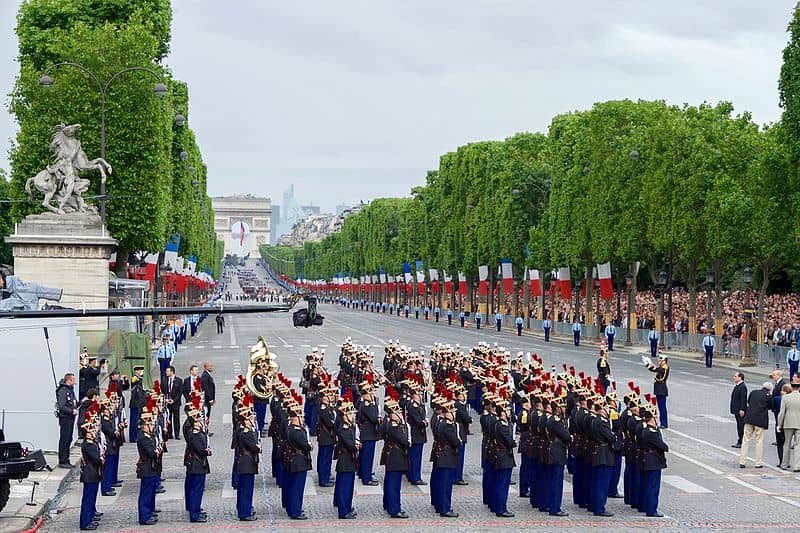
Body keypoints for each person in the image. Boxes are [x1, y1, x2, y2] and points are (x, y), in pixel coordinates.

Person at [380, 390, 410, 519]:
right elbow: (404, 440)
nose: (400, 414)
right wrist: (402, 423)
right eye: (397, 412)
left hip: (390, 453)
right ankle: (394, 509)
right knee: (394, 484)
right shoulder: (394, 425)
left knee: (390, 481)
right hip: (395, 456)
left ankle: (388, 504)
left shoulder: (387, 422)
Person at [640, 402, 668, 517]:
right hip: (653, 461)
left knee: (649, 485)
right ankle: (651, 509)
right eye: (655, 417)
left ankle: (649, 507)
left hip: (648, 460)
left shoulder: (647, 430)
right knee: (653, 487)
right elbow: (663, 446)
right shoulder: (650, 432)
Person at [333, 393, 359, 519]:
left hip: (350, 461)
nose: (353, 416)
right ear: (345, 416)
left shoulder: (350, 427)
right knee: (345, 488)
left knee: (349, 488)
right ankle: (343, 512)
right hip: (345, 461)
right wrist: (356, 446)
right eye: (351, 414)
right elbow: (351, 446)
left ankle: (347, 507)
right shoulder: (343, 429)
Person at [739, 381, 774, 469]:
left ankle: (742, 461)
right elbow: (770, 406)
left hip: (749, 418)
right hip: (760, 420)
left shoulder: (753, 392)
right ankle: (758, 463)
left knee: (746, 440)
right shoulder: (768, 396)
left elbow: (749, 402)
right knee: (759, 441)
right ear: (770, 390)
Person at [285, 405, 312, 520]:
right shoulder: (297, 432)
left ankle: (293, 509)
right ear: (294, 418)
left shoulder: (291, 428)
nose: (303, 419)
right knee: (297, 488)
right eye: (300, 416)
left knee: (294, 487)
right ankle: (296, 511)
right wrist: (309, 446)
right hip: (299, 462)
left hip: (294, 461)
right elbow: (305, 446)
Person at [185, 405, 211, 523]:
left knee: (197, 490)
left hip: (197, 464)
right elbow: (200, 449)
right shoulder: (195, 434)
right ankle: (194, 514)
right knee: (196, 490)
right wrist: (207, 451)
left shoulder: (197, 432)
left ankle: (196, 510)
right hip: (197, 464)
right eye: (200, 420)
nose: (202, 422)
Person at [235, 402, 259, 521]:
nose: (252, 421)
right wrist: (258, 448)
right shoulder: (245, 432)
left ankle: (243, 509)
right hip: (247, 463)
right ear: (245, 421)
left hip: (245, 462)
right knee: (246, 490)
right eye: (250, 419)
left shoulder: (243, 429)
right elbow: (253, 446)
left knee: (244, 489)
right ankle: (245, 513)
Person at [79, 412, 102, 530]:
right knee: (88, 500)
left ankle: (89, 519)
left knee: (91, 498)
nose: (94, 432)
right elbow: (97, 459)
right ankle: (85, 522)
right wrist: (101, 458)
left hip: (92, 474)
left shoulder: (91, 443)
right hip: (90, 474)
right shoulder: (88, 445)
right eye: (91, 431)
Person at [492, 401, 516, 518]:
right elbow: (509, 442)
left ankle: (500, 507)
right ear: (502, 413)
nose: (508, 412)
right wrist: (514, 442)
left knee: (502, 483)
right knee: (503, 484)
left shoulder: (499, 424)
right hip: (504, 456)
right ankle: (501, 508)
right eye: (506, 410)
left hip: (502, 455)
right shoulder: (502, 426)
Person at [137, 411, 159, 526]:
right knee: (146, 494)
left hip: (150, 467)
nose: (151, 426)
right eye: (149, 424)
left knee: (149, 493)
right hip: (146, 467)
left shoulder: (147, 436)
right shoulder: (144, 438)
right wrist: (156, 452)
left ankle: (148, 513)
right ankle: (144, 517)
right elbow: (151, 453)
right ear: (144, 426)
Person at [56, 373, 78, 468]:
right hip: (65, 418)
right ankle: (62, 460)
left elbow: (73, 403)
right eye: (73, 379)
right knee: (64, 439)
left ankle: (67, 459)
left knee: (69, 439)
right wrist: (71, 411)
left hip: (71, 418)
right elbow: (62, 406)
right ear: (69, 380)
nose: (75, 381)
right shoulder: (63, 391)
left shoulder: (70, 390)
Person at [778, 382, 800, 471]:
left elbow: (782, 412)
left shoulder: (786, 397)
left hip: (788, 422)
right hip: (799, 423)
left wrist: (779, 424)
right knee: (798, 445)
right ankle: (797, 466)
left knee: (786, 444)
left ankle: (784, 464)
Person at [647, 354, 669, 428]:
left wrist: (652, 366)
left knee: (662, 407)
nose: (659, 361)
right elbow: (653, 370)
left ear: (664, 361)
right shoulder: (661, 367)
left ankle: (664, 423)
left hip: (661, 389)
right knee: (660, 407)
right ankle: (662, 422)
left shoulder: (665, 367)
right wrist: (648, 365)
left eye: (660, 360)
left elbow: (659, 370)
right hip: (658, 390)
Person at [164, 366, 183, 440]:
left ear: (172, 372)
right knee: (168, 418)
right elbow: (163, 390)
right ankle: (169, 433)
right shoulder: (164, 380)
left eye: (168, 371)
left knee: (176, 418)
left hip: (176, 402)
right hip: (167, 402)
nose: (166, 373)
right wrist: (166, 399)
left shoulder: (179, 380)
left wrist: (174, 400)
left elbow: (180, 392)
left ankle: (177, 433)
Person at [201, 362, 216, 433]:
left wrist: (213, 398)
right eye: (210, 366)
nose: (212, 367)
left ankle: (206, 429)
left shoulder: (207, 375)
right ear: (206, 367)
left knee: (208, 415)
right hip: (207, 400)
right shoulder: (205, 376)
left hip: (209, 399)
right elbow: (206, 388)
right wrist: (210, 399)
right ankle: (205, 430)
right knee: (206, 415)